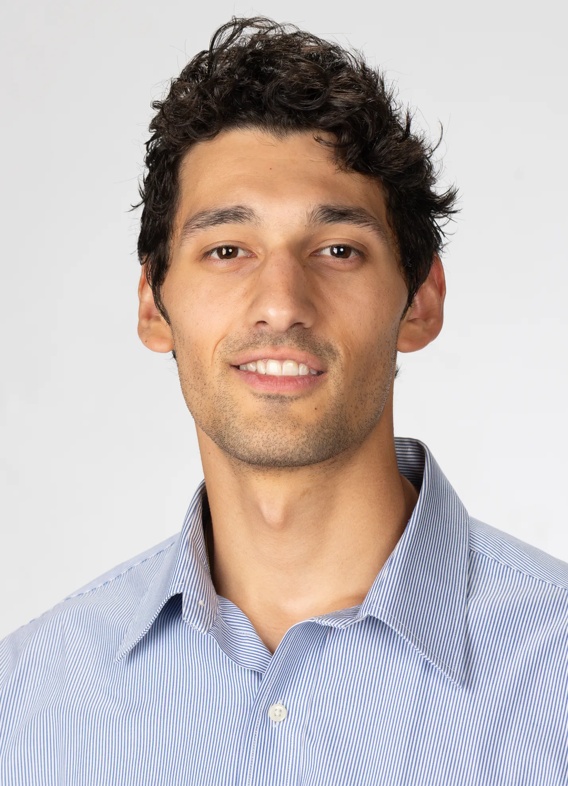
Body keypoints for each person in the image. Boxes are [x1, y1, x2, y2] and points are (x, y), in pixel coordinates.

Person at [1, 16, 566, 785]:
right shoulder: (24, 704)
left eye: (338, 250)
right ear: (152, 304)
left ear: (422, 302)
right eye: (227, 250)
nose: (280, 303)